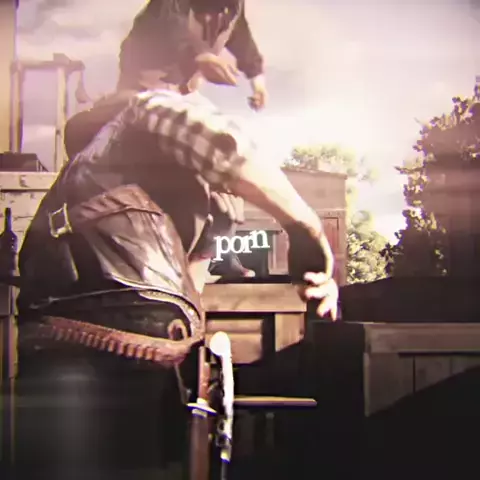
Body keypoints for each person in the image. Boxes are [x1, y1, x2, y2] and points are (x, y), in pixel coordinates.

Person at [14, 51, 338, 480]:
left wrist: (313, 282)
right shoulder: (143, 110)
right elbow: (225, 147)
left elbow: (191, 286)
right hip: (107, 346)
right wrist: (306, 227)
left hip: (102, 351)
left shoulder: (172, 194)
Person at [118, 0, 268, 278]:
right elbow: (165, 26)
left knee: (226, 169)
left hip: (181, 94)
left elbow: (241, 36)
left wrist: (257, 80)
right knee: (208, 155)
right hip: (144, 93)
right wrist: (199, 56)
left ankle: (216, 254)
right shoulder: (170, 7)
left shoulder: (233, 8)